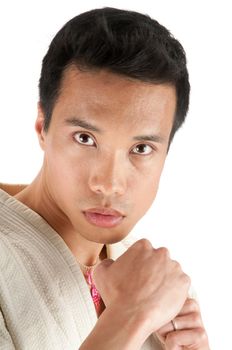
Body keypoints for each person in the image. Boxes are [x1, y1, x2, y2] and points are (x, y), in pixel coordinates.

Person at [0, 7, 210, 350]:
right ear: (42, 125)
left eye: (141, 148)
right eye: (85, 138)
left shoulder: (160, 288)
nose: (110, 183)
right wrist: (129, 316)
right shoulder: (144, 302)